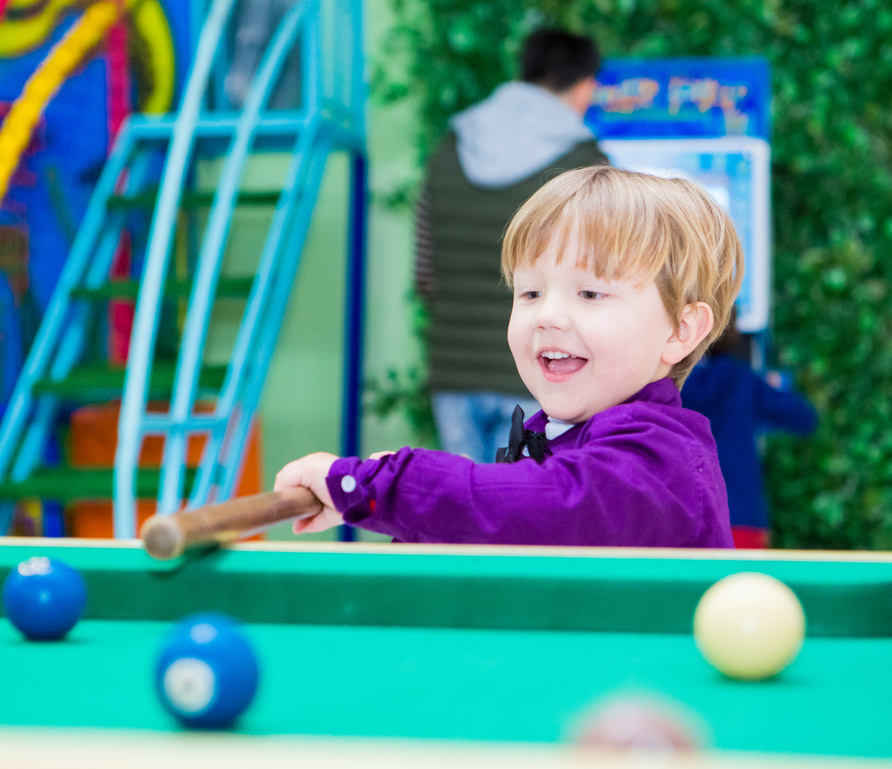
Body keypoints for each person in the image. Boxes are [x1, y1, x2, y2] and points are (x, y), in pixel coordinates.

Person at [275, 166, 743, 548]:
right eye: (530, 292)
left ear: (681, 331)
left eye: (590, 293)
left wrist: (381, 485)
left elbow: (542, 508)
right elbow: (494, 537)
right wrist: (399, 510)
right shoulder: (555, 438)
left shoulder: (658, 459)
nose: (547, 316)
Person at [416, 28, 607, 463]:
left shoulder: (449, 147)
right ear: (584, 86)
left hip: (455, 369)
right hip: (542, 373)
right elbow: (601, 283)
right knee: (524, 503)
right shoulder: (586, 164)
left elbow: (425, 276)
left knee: (462, 499)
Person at [680, 318, 818, 548]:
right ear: (732, 331)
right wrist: (774, 384)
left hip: (685, 516)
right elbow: (804, 417)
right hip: (743, 516)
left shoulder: (672, 385)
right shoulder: (743, 380)